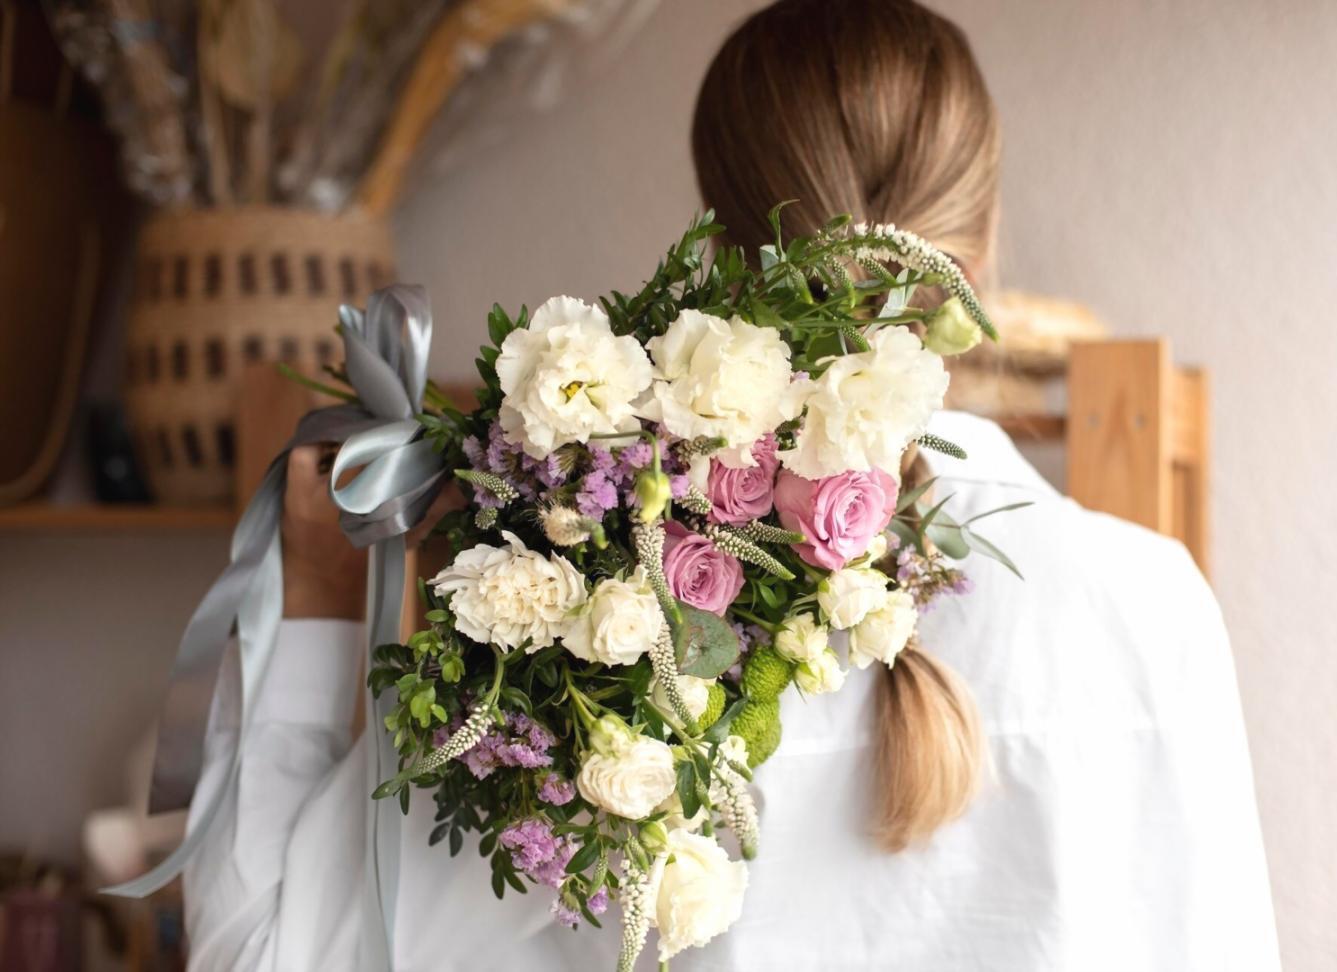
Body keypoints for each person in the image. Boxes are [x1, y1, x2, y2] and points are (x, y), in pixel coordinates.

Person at [184, 1, 1281, 969]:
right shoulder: (1154, 606)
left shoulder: (591, 621)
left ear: (720, 248)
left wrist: (320, 602)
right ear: (977, 253)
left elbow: (263, 958)